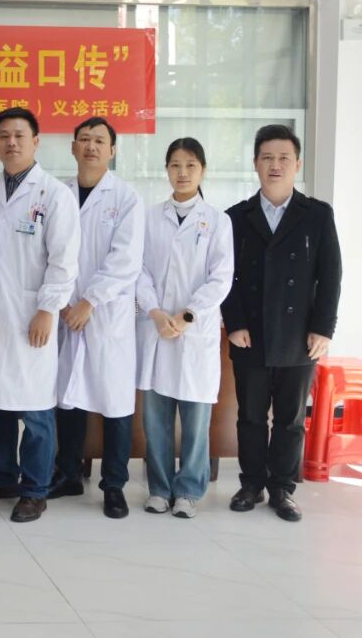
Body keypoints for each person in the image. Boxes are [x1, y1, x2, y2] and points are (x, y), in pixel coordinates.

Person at [221, 124, 342, 522]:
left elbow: (330, 275)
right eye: (267, 158)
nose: (275, 165)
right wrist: (234, 322)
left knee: (290, 420)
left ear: (297, 164)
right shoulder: (236, 217)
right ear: (255, 163)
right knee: (251, 416)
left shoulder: (317, 215)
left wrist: (323, 328)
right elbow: (225, 276)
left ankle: (282, 489)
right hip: (249, 333)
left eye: (283, 158)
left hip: (299, 334)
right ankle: (251, 484)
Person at [0, 107, 79, 523]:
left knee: (36, 408)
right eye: (4, 136)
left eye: (19, 135)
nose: (11, 142)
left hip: (33, 315)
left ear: (36, 141)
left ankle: (35, 489)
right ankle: (2, 477)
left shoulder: (54, 195)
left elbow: (64, 260)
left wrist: (47, 309)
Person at [51, 118, 145, 520]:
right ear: (73, 147)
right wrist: (60, 302)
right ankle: (68, 474)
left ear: (112, 150)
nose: (91, 147)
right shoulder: (57, 194)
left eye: (99, 141)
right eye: (84, 140)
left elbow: (126, 260)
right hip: (64, 312)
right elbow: (48, 252)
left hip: (106, 316)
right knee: (66, 398)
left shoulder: (126, 198)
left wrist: (88, 302)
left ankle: (114, 485)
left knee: (115, 404)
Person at [136, 138, 233, 518]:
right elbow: (139, 270)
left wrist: (187, 316)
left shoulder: (217, 221)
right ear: (166, 170)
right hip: (157, 329)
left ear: (202, 170)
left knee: (195, 421)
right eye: (175, 165)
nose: (182, 172)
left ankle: (189, 491)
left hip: (195, 332)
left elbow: (221, 277)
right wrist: (156, 312)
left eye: (191, 165)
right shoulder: (149, 217)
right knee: (156, 419)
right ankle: (160, 489)